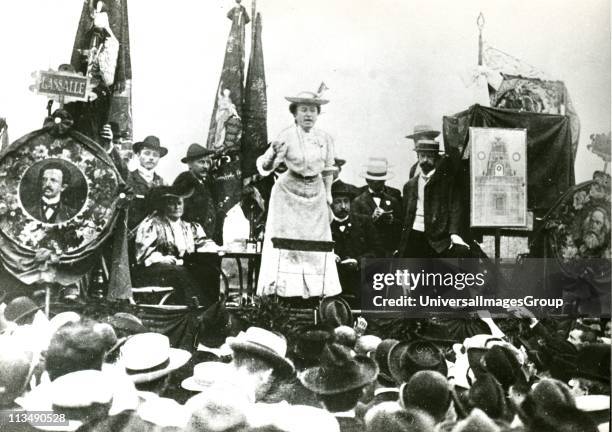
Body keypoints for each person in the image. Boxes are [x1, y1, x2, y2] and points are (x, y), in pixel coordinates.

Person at [256, 90, 341, 298]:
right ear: (294, 113)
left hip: (316, 194)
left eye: (312, 110)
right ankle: (285, 293)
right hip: (288, 193)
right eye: (303, 110)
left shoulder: (325, 138)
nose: (308, 114)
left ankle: (317, 293)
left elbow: (329, 168)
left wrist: (328, 196)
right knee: (287, 244)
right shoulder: (286, 136)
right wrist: (274, 153)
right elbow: (265, 166)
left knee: (316, 244)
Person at [133, 185, 219, 306]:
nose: (176, 207)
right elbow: (143, 253)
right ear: (164, 205)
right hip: (155, 269)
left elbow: (202, 242)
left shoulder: (189, 227)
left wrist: (218, 248)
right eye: (171, 203)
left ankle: (211, 306)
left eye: (179, 203)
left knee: (208, 270)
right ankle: (195, 307)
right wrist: (162, 259)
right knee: (179, 272)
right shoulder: (153, 225)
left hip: (179, 268)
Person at [397, 139, 469, 259]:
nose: (425, 160)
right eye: (422, 156)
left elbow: (455, 209)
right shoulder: (409, 185)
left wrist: (454, 233)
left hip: (437, 240)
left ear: (436, 158)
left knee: (435, 274)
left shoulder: (447, 183)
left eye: (429, 156)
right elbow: (406, 214)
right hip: (414, 236)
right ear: (417, 156)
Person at [330, 182, 383, 304]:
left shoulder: (364, 222)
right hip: (334, 282)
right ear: (330, 204)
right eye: (338, 202)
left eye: (346, 201)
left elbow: (378, 251)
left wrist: (358, 261)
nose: (343, 206)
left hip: (360, 280)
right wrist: (330, 257)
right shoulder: (325, 226)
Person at [352, 157, 402, 257]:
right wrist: (371, 219)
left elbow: (401, 226)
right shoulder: (358, 202)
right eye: (376, 181)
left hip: (388, 251)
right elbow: (355, 228)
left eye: (382, 180)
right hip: (369, 252)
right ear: (368, 180)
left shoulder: (393, 201)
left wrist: (392, 220)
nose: (380, 183)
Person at [173, 143, 221, 245]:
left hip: (209, 240)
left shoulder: (207, 183)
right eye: (201, 162)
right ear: (189, 164)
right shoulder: (184, 181)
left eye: (208, 162)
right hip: (191, 241)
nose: (206, 166)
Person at [127, 135, 167, 229]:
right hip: (130, 235)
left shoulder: (163, 184)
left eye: (155, 155)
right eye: (147, 153)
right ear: (138, 155)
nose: (151, 158)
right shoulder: (128, 178)